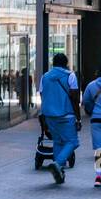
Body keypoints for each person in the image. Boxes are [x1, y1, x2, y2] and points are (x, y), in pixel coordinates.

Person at [39, 52, 79, 184]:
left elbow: (42, 94)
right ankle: (58, 163)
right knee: (72, 142)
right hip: (66, 114)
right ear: (66, 63)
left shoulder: (45, 76)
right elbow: (74, 97)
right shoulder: (70, 76)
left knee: (58, 141)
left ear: (53, 63)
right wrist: (78, 117)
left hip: (49, 114)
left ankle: (59, 173)